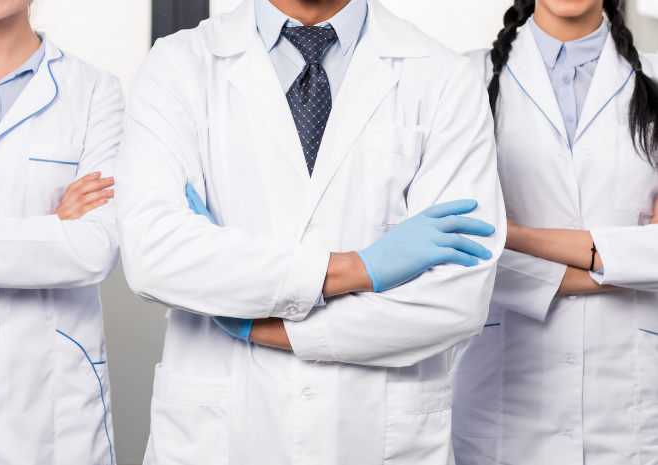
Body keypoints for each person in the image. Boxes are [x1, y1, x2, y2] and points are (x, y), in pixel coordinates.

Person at [116, 0, 505, 462]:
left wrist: (257, 324)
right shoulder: (179, 65)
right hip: (222, 433)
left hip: (373, 434)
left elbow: (455, 300)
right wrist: (356, 269)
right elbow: (154, 254)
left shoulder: (444, 78)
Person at [450, 0, 658, 464]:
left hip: (632, 397)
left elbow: (492, 238)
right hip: (503, 392)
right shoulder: (462, 79)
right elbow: (459, 242)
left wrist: (514, 233)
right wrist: (625, 262)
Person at [0, 1, 124, 464]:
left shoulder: (94, 92)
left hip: (52, 409)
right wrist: (51, 230)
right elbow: (69, 243)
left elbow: (94, 249)